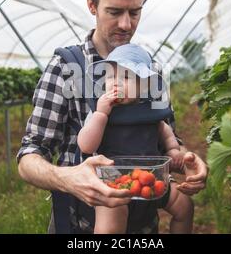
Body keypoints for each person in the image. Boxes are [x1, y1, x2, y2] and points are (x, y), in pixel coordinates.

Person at [17, 0, 208, 234]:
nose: (126, 24)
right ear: (92, 6)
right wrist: (69, 179)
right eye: (114, 11)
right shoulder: (67, 68)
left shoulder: (150, 73)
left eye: (135, 12)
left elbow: (162, 140)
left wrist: (185, 161)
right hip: (78, 226)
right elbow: (30, 154)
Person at [78, 43, 193, 234]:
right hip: (114, 183)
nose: (116, 82)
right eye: (110, 76)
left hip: (152, 180)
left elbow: (164, 130)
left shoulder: (149, 111)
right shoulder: (101, 112)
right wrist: (101, 115)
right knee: (110, 226)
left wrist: (173, 149)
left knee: (185, 207)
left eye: (125, 77)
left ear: (144, 85)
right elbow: (86, 146)